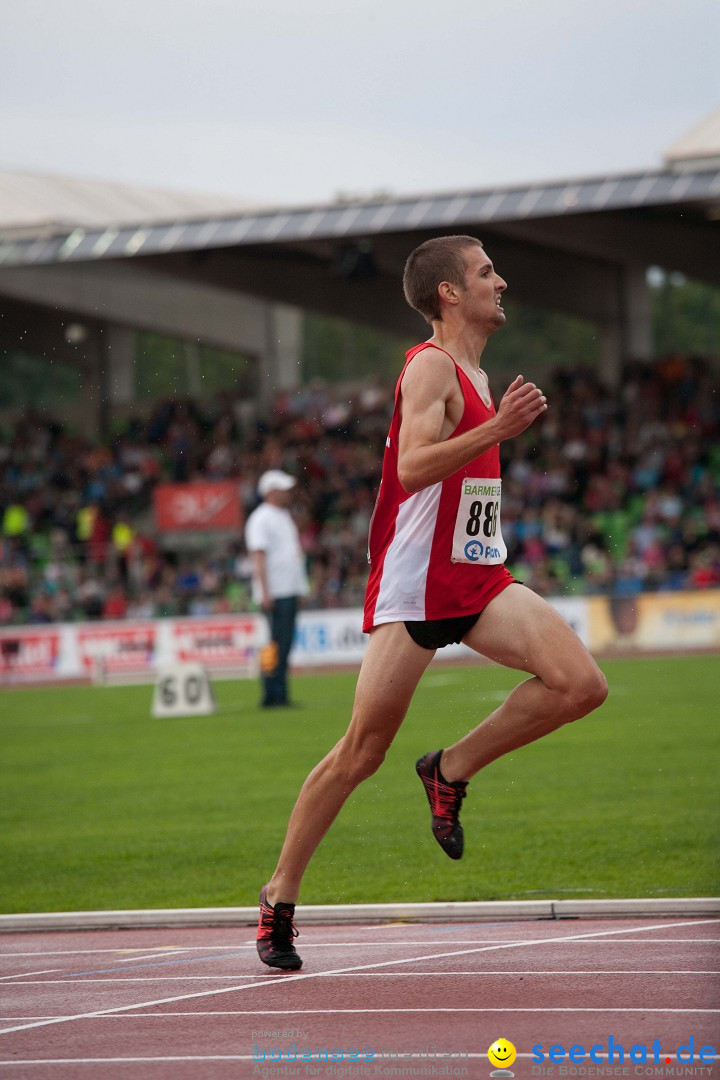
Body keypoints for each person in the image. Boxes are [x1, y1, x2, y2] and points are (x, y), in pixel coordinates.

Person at [256, 235, 608, 970]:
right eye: (485, 273)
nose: (500, 280)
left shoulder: (477, 370)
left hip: (478, 578)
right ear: (449, 293)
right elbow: (413, 467)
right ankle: (278, 899)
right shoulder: (431, 367)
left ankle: (448, 770)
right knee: (360, 752)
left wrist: (494, 425)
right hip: (416, 587)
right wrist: (498, 428)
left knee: (581, 685)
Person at [245, 470, 309, 708]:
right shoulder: (260, 518)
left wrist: (300, 588)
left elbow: (292, 556)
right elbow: (258, 556)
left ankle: (279, 693)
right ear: (271, 491)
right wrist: (264, 592)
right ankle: (271, 693)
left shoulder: (282, 516)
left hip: (287, 590)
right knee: (274, 645)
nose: (287, 493)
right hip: (276, 592)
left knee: (281, 645)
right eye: (282, 489)